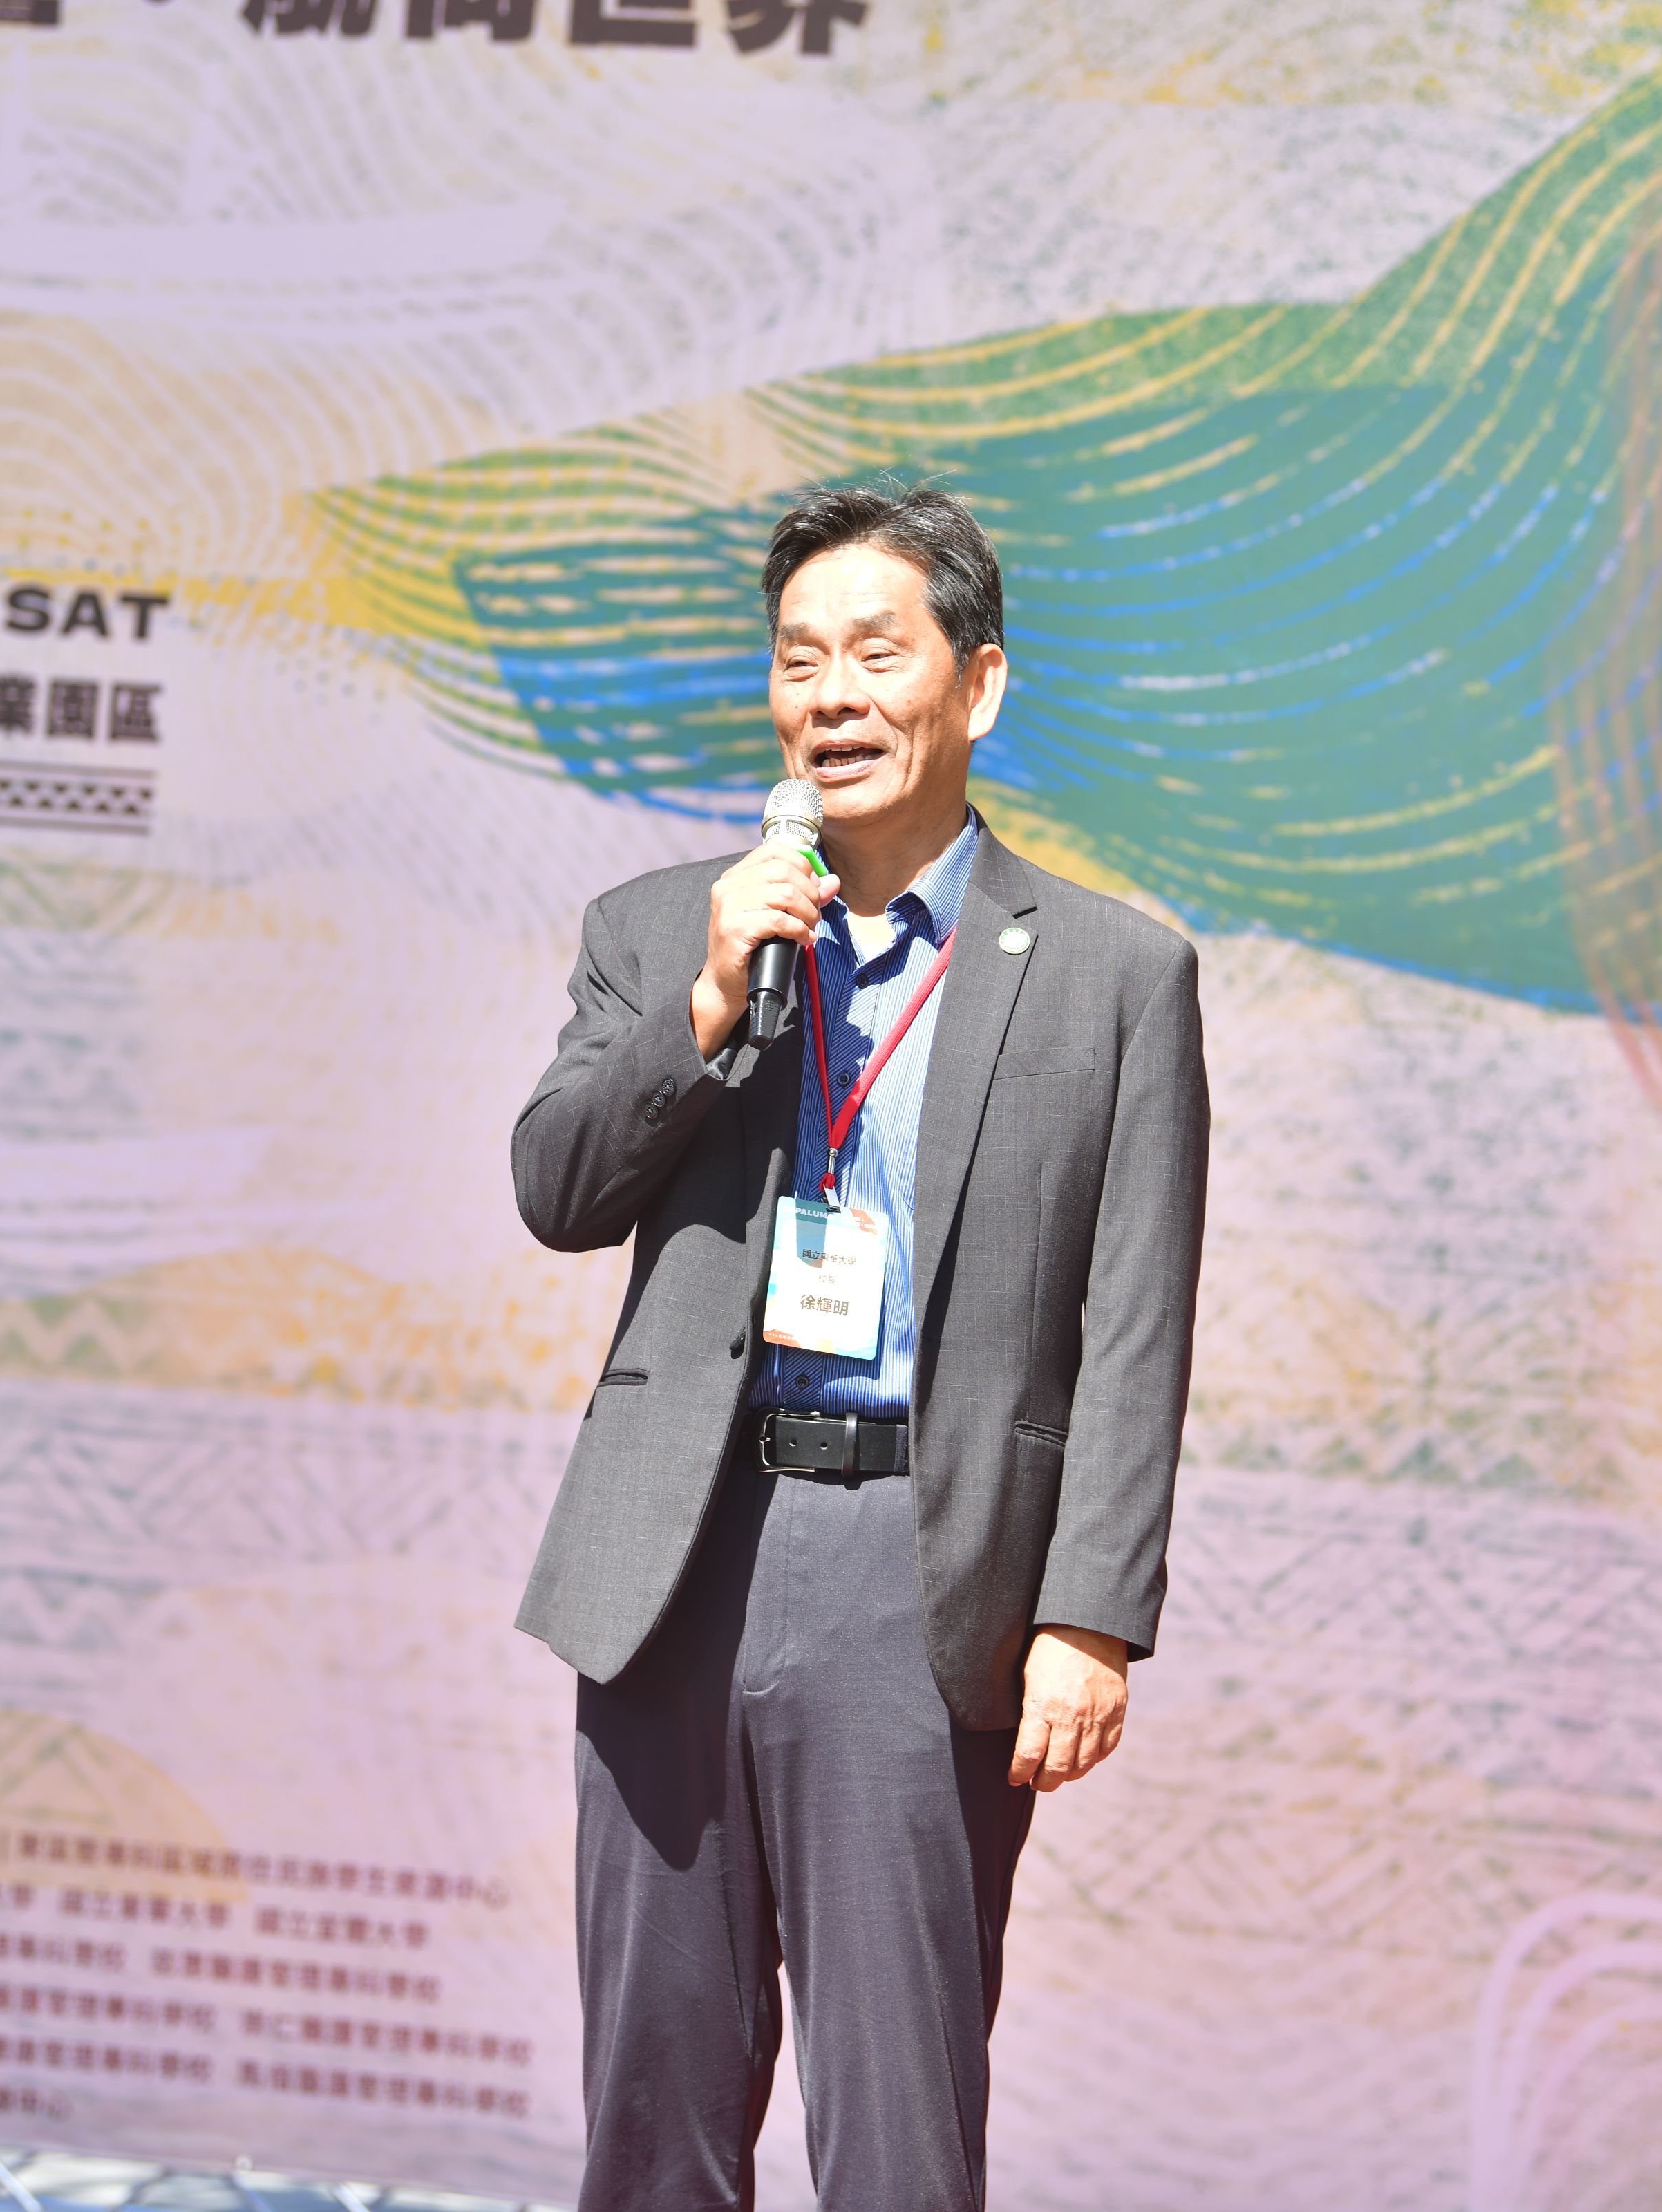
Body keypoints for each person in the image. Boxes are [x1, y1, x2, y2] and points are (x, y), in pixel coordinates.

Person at [511, 480, 1211, 2211]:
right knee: (653, 2109)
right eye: (798, 657)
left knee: (898, 2120)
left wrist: (1091, 1613)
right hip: (673, 1558)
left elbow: (1137, 1323)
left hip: (920, 1562)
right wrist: (706, 1004)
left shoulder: (1115, 976)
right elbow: (558, 1188)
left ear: (977, 683)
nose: (831, 694)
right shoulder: (664, 929)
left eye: (875, 654)